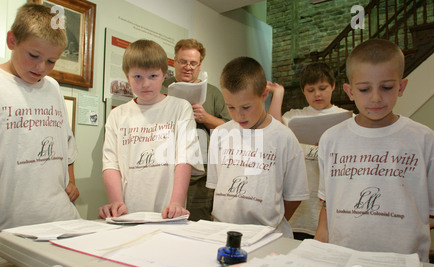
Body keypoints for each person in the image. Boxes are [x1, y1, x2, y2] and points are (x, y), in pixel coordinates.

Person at [0, 3, 80, 267]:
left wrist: (70, 179)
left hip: (59, 231)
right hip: (4, 234)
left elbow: (65, 141)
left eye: (51, 61)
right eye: (34, 56)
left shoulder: (51, 87)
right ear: (12, 41)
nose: (41, 68)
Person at [315, 39, 434, 262]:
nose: (376, 97)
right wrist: (319, 253)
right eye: (364, 89)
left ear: (401, 86)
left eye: (386, 87)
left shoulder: (423, 139)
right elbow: (327, 204)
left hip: (403, 266)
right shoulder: (331, 139)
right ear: (350, 91)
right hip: (342, 260)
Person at [98, 39, 204, 219]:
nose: (145, 84)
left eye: (153, 76)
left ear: (164, 75)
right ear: (127, 76)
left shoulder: (180, 108)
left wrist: (177, 202)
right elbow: (111, 163)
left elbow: (184, 159)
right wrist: (116, 202)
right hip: (127, 212)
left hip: (167, 211)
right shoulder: (118, 115)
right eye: (137, 77)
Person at [206, 57, 309, 238]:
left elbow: (294, 196)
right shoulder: (220, 134)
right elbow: (216, 188)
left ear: (264, 95)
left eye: (246, 107)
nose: (238, 115)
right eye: (230, 107)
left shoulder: (284, 137)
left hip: (268, 236)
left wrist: (270, 225)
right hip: (222, 234)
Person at [277, 62, 350, 240]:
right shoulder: (293, 117)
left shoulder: (347, 118)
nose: (317, 94)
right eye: (310, 90)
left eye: (322, 88)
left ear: (333, 86)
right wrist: (278, 95)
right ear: (303, 91)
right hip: (300, 207)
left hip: (330, 206)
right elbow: (275, 133)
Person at [161, 39, 231, 221]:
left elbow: (232, 129)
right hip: (165, 171)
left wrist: (206, 118)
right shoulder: (161, 88)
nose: (188, 67)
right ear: (174, 61)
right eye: (183, 62)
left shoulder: (214, 93)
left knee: (198, 226)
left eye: (193, 63)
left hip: (201, 177)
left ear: (200, 66)